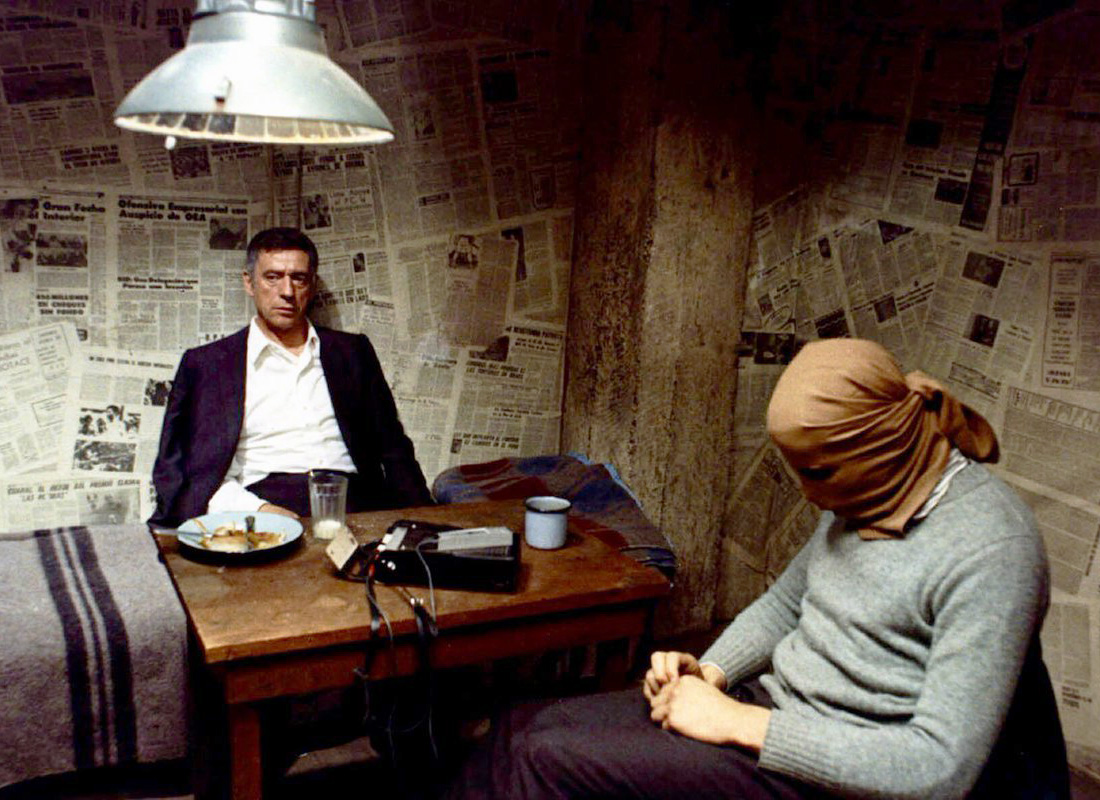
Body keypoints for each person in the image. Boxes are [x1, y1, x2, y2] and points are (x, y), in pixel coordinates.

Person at [445, 338, 1068, 799]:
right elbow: (785, 605)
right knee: (521, 725)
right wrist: (712, 672)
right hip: (775, 709)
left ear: (878, 444)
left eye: (818, 473)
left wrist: (741, 724)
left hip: (829, 761)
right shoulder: (872, 490)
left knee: (545, 757)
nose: (811, 496)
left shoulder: (993, 549)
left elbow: (938, 769)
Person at [150, 227, 431, 527]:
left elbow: (394, 448)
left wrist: (427, 518)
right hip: (263, 503)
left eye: (298, 278)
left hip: (354, 502)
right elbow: (189, 471)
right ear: (249, 282)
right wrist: (257, 509)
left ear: (311, 285)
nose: (287, 291)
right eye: (272, 277)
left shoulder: (352, 352)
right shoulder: (208, 364)